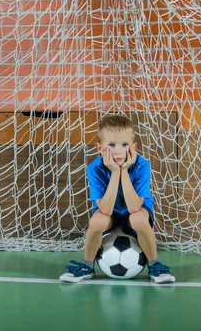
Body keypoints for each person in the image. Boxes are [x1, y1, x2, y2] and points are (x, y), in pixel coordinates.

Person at [60, 114, 175, 284]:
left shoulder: (142, 165)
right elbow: (105, 210)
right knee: (98, 221)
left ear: (134, 146)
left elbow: (135, 207)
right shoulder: (95, 169)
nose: (119, 150)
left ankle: (154, 265)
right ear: (100, 148)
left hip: (135, 211)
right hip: (110, 212)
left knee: (138, 218)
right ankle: (87, 266)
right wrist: (115, 172)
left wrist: (125, 170)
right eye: (112, 145)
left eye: (125, 145)